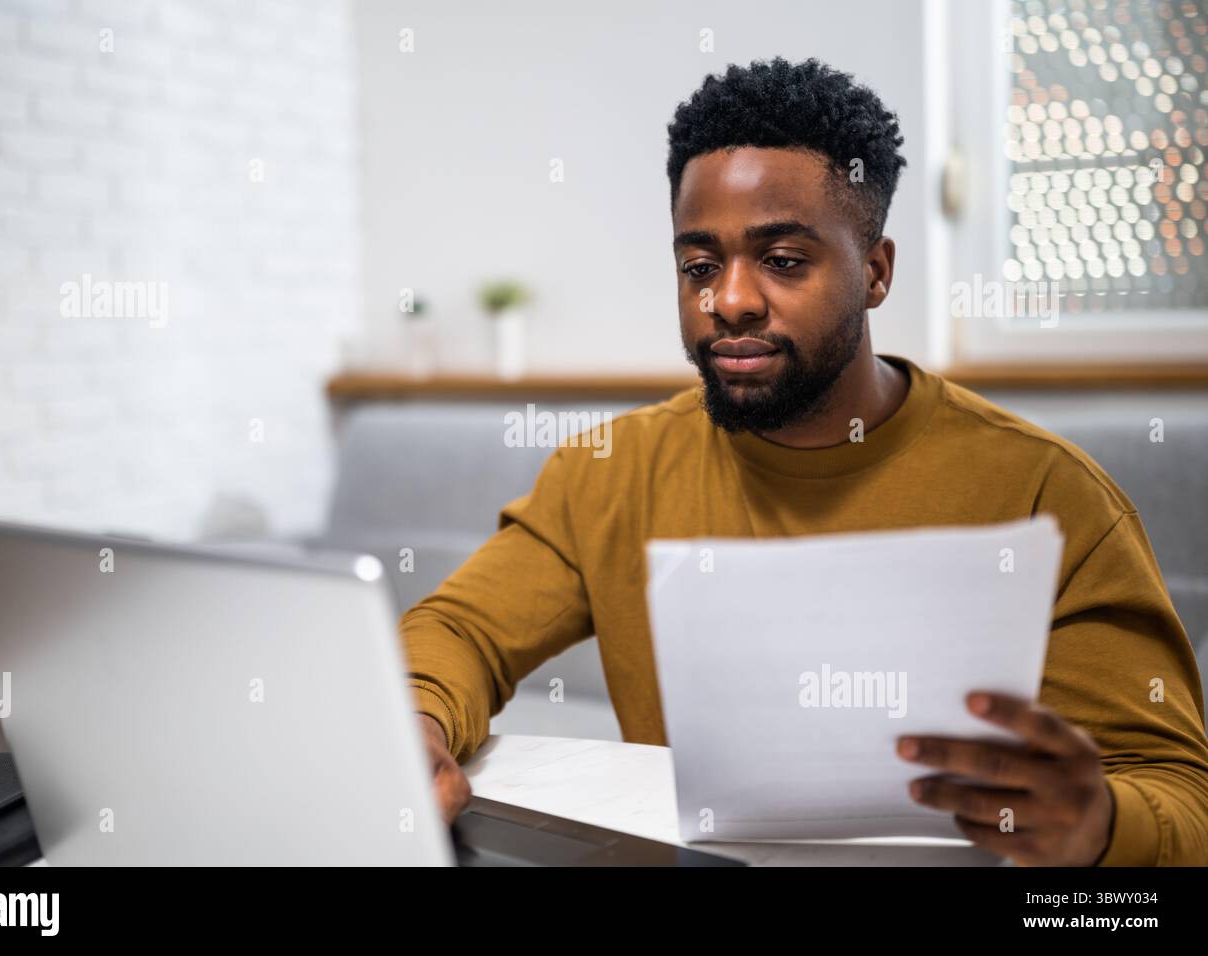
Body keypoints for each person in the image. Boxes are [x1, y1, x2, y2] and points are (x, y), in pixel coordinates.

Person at [402, 58, 1208, 866]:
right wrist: (417, 719)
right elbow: (460, 631)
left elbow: (1180, 793)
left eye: (783, 260)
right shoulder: (610, 472)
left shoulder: (1044, 492)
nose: (731, 300)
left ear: (877, 272)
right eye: (699, 266)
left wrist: (1098, 825)